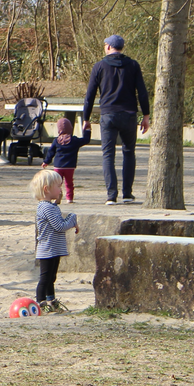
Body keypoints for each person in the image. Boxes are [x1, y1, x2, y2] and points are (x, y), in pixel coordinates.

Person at [82, 34, 150, 205]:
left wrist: (86, 118)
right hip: (129, 114)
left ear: (108, 47)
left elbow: (90, 95)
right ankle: (127, 194)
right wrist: (146, 115)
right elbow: (142, 92)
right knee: (129, 152)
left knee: (108, 154)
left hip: (108, 114)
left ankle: (111, 195)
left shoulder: (99, 66)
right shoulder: (133, 65)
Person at [31, 168, 79, 313]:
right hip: (48, 248)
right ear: (47, 189)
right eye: (58, 186)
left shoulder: (51, 207)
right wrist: (72, 218)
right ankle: (40, 303)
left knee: (51, 277)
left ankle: (51, 301)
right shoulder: (46, 207)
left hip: (54, 248)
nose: (60, 190)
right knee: (45, 278)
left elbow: (59, 222)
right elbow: (60, 226)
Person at [42, 118, 91, 203]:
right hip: (70, 166)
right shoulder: (74, 140)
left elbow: (51, 152)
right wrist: (87, 130)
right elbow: (86, 140)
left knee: (57, 183)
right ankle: (69, 198)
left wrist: (46, 161)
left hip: (58, 166)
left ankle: (57, 196)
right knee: (69, 183)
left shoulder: (56, 141)